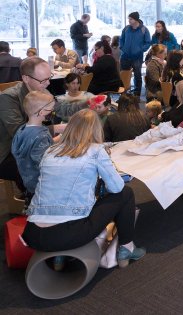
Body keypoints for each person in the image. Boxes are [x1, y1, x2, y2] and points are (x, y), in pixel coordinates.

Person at [21, 109, 145, 267]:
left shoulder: (50, 151)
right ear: (95, 130)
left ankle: (59, 258)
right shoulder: (96, 151)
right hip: (67, 234)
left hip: (33, 234)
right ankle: (127, 247)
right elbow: (116, 187)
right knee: (125, 193)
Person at [0, 57, 62, 200]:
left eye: (49, 78)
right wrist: (58, 129)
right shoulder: (7, 98)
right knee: (48, 166)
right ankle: (37, 201)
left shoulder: (41, 91)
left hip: (28, 144)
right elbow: (20, 133)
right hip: (6, 152)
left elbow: (57, 111)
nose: (48, 83)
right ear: (26, 79)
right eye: (43, 80)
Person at [11, 91, 58, 195]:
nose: (53, 112)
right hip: (42, 185)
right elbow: (45, 163)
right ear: (41, 112)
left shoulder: (22, 130)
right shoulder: (41, 136)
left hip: (28, 180)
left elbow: (31, 148)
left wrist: (55, 140)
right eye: (51, 110)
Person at [120, 12, 152, 95]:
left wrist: (141, 50)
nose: (129, 21)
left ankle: (137, 93)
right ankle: (124, 93)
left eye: (131, 19)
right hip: (125, 56)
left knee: (137, 75)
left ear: (136, 19)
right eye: (128, 19)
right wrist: (122, 48)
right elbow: (121, 39)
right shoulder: (126, 28)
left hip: (137, 57)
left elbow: (148, 42)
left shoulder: (144, 29)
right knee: (124, 75)